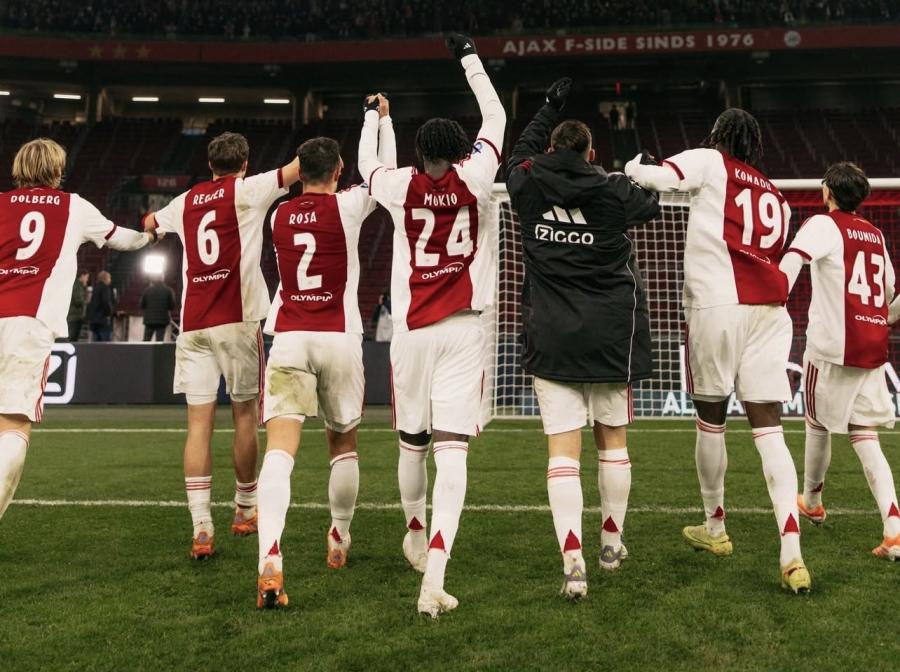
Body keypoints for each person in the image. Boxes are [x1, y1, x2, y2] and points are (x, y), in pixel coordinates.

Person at [624, 108, 811, 593]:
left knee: (711, 417)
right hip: (770, 312)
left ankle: (715, 526)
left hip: (718, 304)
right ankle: (792, 551)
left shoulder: (710, 161)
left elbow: (658, 177)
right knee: (769, 427)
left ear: (718, 135)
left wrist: (632, 165)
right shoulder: (777, 197)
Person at [358, 33, 506, 617]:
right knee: (453, 451)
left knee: (412, 442)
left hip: (412, 333)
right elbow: (495, 114)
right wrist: (468, 56)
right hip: (463, 329)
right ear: (460, 149)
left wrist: (375, 118)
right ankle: (435, 576)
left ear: (420, 155)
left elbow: (369, 166)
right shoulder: (477, 175)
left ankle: (415, 536)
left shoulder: (401, 187)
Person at [507, 78, 660, 597]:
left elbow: (519, 152)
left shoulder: (528, 181)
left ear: (551, 149)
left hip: (552, 333)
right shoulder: (613, 189)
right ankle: (611, 545)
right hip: (612, 333)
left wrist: (547, 107)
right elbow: (651, 203)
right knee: (613, 442)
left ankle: (573, 562)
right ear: (592, 153)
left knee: (563, 452)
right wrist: (636, 168)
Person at [255, 109, 396, 609]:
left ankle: (270, 556)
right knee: (343, 445)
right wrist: (379, 122)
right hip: (338, 337)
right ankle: (338, 536)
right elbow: (383, 174)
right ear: (338, 171)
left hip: (291, 337)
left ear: (300, 172)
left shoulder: (278, 215)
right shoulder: (350, 205)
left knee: (280, 451)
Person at [143, 132, 301, 559]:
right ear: (244, 163)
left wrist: (153, 229)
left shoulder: (186, 200)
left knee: (198, 426)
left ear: (210, 164)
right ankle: (245, 508)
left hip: (194, 323)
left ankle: (201, 527)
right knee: (245, 415)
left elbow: (150, 222)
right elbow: (300, 167)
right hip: (237, 319)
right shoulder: (248, 189)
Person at [0, 138, 154, 520]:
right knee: (14, 424)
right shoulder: (74, 206)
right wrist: (152, 235)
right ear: (57, 170)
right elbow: (124, 239)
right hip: (28, 325)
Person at [780, 162, 900, 561]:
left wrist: (774, 298)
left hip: (832, 346)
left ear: (828, 191)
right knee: (865, 435)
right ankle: (894, 528)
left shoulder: (822, 224)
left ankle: (812, 501)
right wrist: (881, 320)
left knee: (816, 423)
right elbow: (889, 295)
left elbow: (795, 258)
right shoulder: (876, 234)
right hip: (872, 346)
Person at [140, 277, 176, 341]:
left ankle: (145, 348)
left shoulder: (147, 290)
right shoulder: (168, 290)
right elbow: (172, 306)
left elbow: (141, 305)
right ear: (162, 279)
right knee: (159, 341)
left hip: (149, 320)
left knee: (146, 341)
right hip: (162, 320)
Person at [87, 270, 115, 341]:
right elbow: (106, 301)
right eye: (109, 278)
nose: (110, 280)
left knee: (96, 342)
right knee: (105, 342)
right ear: (105, 278)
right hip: (102, 319)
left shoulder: (96, 287)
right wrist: (109, 312)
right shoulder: (105, 287)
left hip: (94, 319)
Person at [67, 270, 89, 341]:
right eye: (86, 277)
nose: (87, 280)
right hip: (74, 316)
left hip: (75, 315)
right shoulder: (78, 286)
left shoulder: (78, 285)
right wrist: (87, 302)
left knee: (73, 338)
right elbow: (78, 301)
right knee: (72, 338)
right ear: (82, 276)